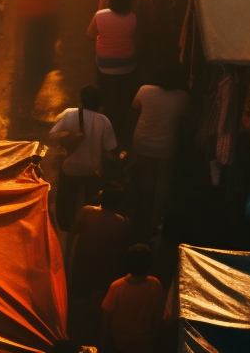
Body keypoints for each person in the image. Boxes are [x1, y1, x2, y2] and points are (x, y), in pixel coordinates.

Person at [67, 186, 132, 344]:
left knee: (79, 301)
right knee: (97, 305)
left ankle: (74, 332)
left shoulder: (87, 211)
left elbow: (73, 231)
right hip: (104, 268)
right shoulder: (122, 222)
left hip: (82, 263)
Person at [49, 85, 116, 232]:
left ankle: (65, 225)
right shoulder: (104, 121)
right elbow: (110, 148)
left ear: (82, 99)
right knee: (91, 201)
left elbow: (53, 134)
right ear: (100, 103)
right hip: (92, 170)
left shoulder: (69, 114)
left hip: (70, 168)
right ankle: (89, 226)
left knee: (66, 199)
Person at [131, 65, 190, 232]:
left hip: (142, 142)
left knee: (147, 177)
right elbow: (187, 116)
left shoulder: (144, 90)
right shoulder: (182, 97)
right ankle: (155, 219)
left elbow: (135, 107)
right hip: (166, 147)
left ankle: (144, 211)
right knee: (163, 181)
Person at [14, 0, 70, 95]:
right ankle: (44, 64)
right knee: (46, 41)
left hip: (32, 14)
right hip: (50, 12)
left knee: (31, 44)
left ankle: (31, 74)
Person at [87, 0, 137, 137]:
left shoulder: (100, 15)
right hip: (128, 64)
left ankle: (105, 120)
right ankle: (120, 127)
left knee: (106, 93)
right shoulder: (133, 17)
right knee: (123, 96)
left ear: (110, 2)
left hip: (105, 63)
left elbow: (90, 34)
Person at [100, 243, 165, 353]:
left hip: (120, 344)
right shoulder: (155, 284)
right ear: (149, 265)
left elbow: (105, 318)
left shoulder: (117, 286)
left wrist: (102, 345)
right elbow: (159, 318)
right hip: (147, 344)